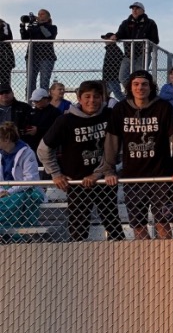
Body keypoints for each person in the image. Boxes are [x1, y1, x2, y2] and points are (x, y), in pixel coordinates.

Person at [94, 70, 173, 240]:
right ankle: (146, 262)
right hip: (133, 177)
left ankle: (166, 261)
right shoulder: (121, 109)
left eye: (144, 84)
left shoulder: (162, 107)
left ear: (151, 86)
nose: (140, 88)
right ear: (130, 87)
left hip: (160, 176)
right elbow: (111, 143)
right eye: (136, 84)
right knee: (138, 226)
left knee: (163, 224)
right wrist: (109, 170)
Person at [37, 80, 123, 241]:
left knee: (114, 226)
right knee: (78, 230)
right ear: (79, 97)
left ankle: (120, 262)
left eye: (96, 96)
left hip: (105, 180)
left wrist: (103, 171)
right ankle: (78, 264)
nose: (92, 101)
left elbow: (118, 148)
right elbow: (43, 149)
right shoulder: (66, 120)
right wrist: (56, 173)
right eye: (87, 96)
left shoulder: (110, 115)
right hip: (77, 182)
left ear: (103, 98)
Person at [0, 122, 44, 236]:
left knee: (13, 202)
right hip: (4, 190)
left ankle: (13, 235)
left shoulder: (27, 153)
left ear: (6, 139)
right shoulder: (1, 154)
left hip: (24, 190)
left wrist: (9, 191)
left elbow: (30, 180)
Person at [115, 2, 159, 85]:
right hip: (128, 54)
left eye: (137, 8)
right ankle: (131, 92)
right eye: (133, 9)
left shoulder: (150, 23)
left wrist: (147, 48)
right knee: (122, 77)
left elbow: (155, 40)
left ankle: (142, 91)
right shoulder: (126, 23)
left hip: (142, 55)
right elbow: (120, 33)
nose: (134, 10)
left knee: (139, 76)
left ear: (143, 10)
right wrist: (115, 36)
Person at [19, 8, 57, 95]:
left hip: (47, 57)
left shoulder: (52, 27)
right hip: (32, 56)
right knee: (30, 81)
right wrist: (22, 26)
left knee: (44, 82)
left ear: (48, 17)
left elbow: (48, 36)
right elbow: (24, 38)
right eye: (39, 14)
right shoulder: (33, 27)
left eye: (42, 14)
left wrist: (40, 24)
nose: (39, 16)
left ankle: (43, 101)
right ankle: (29, 101)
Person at [22, 88, 61, 152]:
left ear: (46, 99)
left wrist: (38, 130)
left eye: (38, 100)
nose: (36, 102)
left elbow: (57, 130)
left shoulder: (55, 112)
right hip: (33, 145)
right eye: (34, 101)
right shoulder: (32, 112)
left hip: (48, 145)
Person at [101, 33, 125, 101]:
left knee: (117, 94)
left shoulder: (113, 49)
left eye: (106, 39)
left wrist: (107, 77)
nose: (105, 41)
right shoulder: (112, 49)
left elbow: (111, 65)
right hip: (110, 76)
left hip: (111, 76)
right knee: (106, 94)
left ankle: (126, 105)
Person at [0, 17, 14, 90]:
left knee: (5, 83)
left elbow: (7, 36)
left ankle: (4, 97)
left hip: (5, 60)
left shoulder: (4, 25)